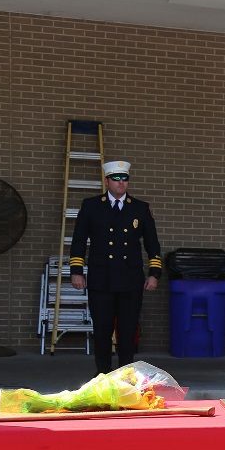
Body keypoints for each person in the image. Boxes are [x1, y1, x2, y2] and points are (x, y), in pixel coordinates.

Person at [69, 160, 162, 375]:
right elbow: (79, 241)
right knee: (102, 329)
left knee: (128, 329)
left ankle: (125, 373)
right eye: (116, 178)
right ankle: (102, 373)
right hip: (102, 278)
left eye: (125, 179)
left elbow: (152, 244)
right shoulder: (91, 205)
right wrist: (76, 271)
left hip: (130, 278)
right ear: (107, 181)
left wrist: (154, 273)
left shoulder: (140, 208)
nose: (121, 183)